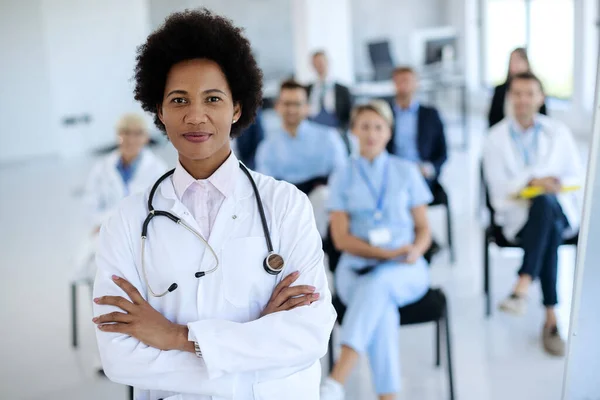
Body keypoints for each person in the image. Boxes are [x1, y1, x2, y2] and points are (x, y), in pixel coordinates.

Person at [92, 10, 335, 400]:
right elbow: (120, 358)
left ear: (236, 108)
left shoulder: (287, 205)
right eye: (178, 99)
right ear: (160, 111)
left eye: (213, 98)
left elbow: (309, 333)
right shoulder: (126, 221)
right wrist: (257, 346)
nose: (195, 115)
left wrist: (175, 337)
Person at [320, 100, 432, 400]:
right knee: (380, 304)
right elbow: (341, 239)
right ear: (353, 131)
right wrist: (385, 254)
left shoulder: (406, 171)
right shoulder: (343, 173)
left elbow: (424, 229)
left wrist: (414, 251)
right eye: (364, 126)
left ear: (389, 132)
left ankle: (337, 379)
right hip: (356, 268)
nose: (371, 133)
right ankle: (386, 397)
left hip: (405, 269)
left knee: (380, 287)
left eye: (378, 127)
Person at [483, 72, 583, 357]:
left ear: (541, 98)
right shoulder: (495, 138)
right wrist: (531, 182)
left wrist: (551, 184)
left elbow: (575, 174)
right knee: (545, 217)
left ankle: (522, 285)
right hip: (517, 217)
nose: (523, 100)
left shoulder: (558, 133)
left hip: (558, 209)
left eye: (530, 93)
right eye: (517, 94)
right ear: (509, 97)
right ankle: (551, 317)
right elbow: (497, 189)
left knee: (547, 206)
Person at [75, 113, 167, 281]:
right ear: (118, 135)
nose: (131, 139)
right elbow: (89, 205)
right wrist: (104, 223)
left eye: (137, 133)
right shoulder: (102, 168)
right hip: (105, 232)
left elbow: (159, 209)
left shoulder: (157, 169)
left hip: (141, 234)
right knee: (102, 270)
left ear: (146, 137)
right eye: (125, 132)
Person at [255, 80, 348, 237]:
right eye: (287, 104)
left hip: (322, 204)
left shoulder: (328, 138)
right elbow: (264, 188)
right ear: (278, 107)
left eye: (297, 104)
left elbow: (342, 178)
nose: (291, 109)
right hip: (285, 205)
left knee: (324, 196)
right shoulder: (267, 148)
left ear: (307, 107)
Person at [386, 66, 447, 188]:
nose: (404, 86)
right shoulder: (385, 114)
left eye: (407, 81)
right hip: (392, 170)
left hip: (420, 172)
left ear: (416, 84)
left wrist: (430, 169)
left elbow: (442, 151)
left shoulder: (430, 114)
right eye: (399, 81)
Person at [488, 48, 548, 128]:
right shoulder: (500, 90)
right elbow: (493, 120)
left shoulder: (535, 87)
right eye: (517, 93)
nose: (522, 99)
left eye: (518, 60)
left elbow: (544, 119)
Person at [306, 51, 353, 133]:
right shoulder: (306, 89)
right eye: (316, 63)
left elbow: (350, 115)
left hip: (336, 131)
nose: (319, 66)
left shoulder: (343, 90)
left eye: (321, 62)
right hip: (312, 130)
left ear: (328, 63)